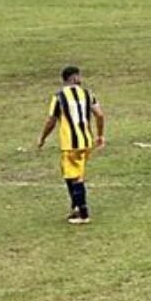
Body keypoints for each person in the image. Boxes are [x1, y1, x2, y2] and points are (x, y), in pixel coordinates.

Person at [37, 66, 105, 224]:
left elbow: (51, 120)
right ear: (74, 78)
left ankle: (83, 213)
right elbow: (100, 115)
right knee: (70, 173)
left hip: (70, 144)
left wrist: (42, 137)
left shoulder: (59, 97)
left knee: (75, 177)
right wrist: (100, 135)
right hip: (86, 141)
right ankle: (75, 207)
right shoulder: (88, 94)